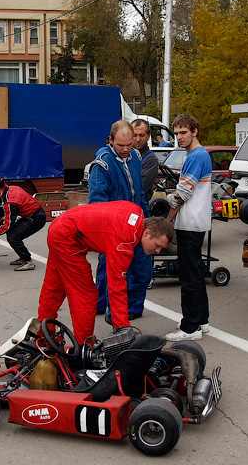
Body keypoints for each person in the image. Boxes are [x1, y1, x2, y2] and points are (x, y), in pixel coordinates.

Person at [38, 201, 174, 344]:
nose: (157, 251)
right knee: (86, 295)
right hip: (66, 237)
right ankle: (84, 346)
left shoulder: (137, 211)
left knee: (54, 288)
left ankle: (42, 336)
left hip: (61, 225)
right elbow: (116, 287)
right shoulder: (123, 244)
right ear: (147, 233)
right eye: (157, 245)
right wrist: (122, 328)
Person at [88, 120, 150, 322]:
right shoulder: (102, 165)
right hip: (114, 229)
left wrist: (147, 220)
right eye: (120, 145)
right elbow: (97, 204)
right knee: (110, 270)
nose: (125, 149)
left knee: (142, 268)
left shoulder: (136, 156)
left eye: (129, 144)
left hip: (138, 223)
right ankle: (103, 305)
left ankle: (133, 307)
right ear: (110, 140)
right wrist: (104, 235)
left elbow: (140, 192)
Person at [163, 114, 213, 342]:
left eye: (183, 132)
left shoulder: (196, 156)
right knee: (196, 272)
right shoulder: (200, 155)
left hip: (190, 223)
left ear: (195, 131)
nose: (179, 137)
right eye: (176, 133)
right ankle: (201, 320)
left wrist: (167, 220)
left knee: (189, 276)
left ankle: (190, 327)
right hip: (197, 221)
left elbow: (181, 195)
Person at [0, 175, 47, 271]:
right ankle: (23, 258)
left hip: (36, 218)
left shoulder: (10, 201)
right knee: (11, 233)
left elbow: (7, 225)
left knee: (13, 237)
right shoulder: (11, 188)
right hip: (31, 214)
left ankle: (28, 261)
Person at [132, 119, 159, 201]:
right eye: (134, 135)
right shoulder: (124, 155)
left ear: (148, 136)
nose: (138, 139)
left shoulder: (150, 160)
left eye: (141, 135)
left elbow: (140, 188)